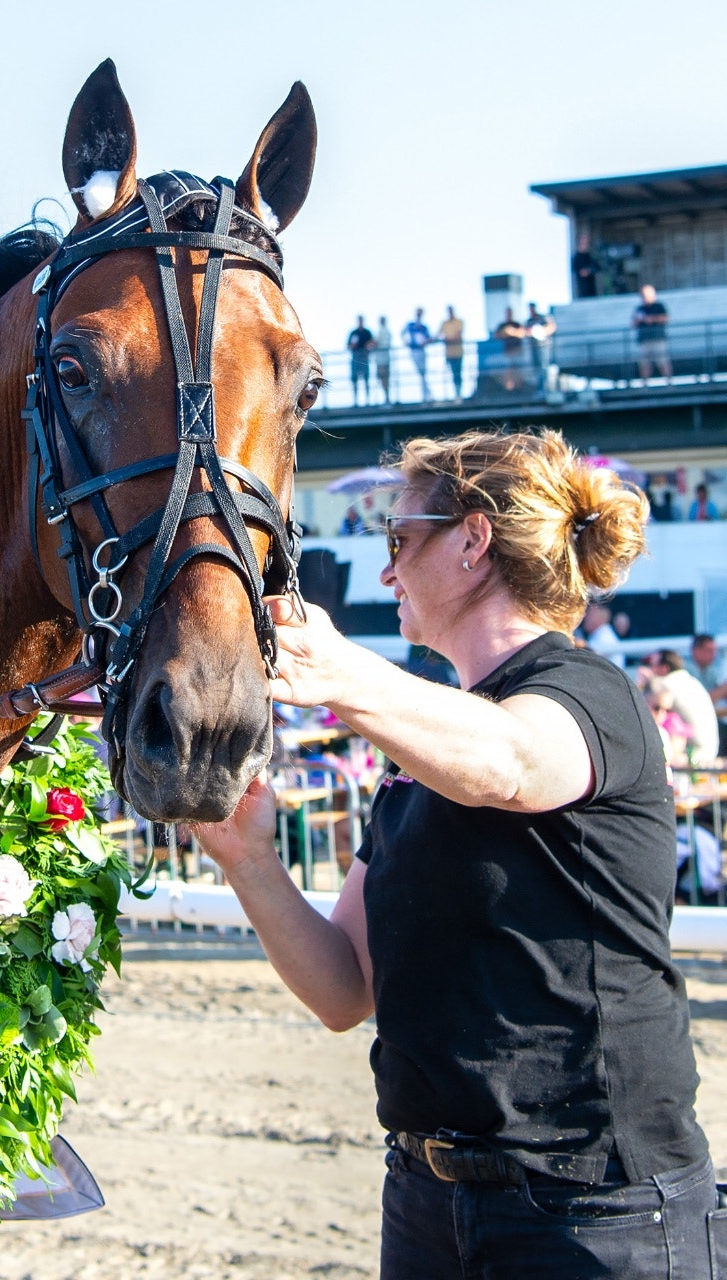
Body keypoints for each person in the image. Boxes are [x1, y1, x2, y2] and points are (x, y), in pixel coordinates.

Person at [192, 429, 711, 1277]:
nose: (386, 569)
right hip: (429, 1200)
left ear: (472, 540)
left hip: (591, 1211)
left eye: (398, 540)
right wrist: (248, 860)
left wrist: (341, 672)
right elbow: (343, 989)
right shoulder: (420, 746)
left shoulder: (587, 693)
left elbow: (509, 764)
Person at [644, 650, 719, 762]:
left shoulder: (664, 685)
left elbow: (646, 709)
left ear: (664, 668)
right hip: (711, 750)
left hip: (691, 754)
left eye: (652, 665)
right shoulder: (692, 681)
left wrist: (645, 682)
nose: (651, 669)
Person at [635, 285, 673, 382]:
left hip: (658, 338)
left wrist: (652, 319)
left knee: (662, 362)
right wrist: (642, 320)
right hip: (644, 339)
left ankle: (669, 382)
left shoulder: (659, 306)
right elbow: (634, 322)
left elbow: (665, 318)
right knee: (644, 363)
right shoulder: (640, 308)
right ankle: (645, 384)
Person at [493, 308, 527, 393]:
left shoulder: (516, 324)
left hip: (517, 351)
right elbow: (496, 336)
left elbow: (523, 333)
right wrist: (504, 333)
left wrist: (513, 332)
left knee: (518, 371)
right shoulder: (502, 325)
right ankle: (509, 389)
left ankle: (519, 388)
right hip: (507, 351)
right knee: (508, 371)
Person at [401, 308, 432, 401]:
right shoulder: (410, 325)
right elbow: (402, 333)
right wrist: (406, 342)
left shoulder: (424, 327)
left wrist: (425, 342)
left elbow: (429, 338)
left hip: (421, 350)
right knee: (421, 372)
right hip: (414, 350)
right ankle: (426, 394)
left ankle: (426, 394)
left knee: (423, 372)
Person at [583, 601, 625, 666]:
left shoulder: (605, 639)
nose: (585, 617)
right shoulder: (599, 635)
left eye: (589, 614)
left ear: (598, 616)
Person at [525, 302, 555, 391]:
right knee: (537, 369)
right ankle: (540, 389)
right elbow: (525, 331)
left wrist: (539, 331)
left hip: (544, 347)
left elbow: (551, 327)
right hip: (534, 347)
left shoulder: (543, 318)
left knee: (544, 367)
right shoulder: (529, 321)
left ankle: (545, 389)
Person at [438, 306, 466, 399]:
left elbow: (458, 336)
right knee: (452, 374)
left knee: (458, 373)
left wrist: (449, 339)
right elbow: (438, 335)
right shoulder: (444, 323)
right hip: (448, 353)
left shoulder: (459, 322)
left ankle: (459, 394)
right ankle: (454, 394)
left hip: (458, 352)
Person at [348, 316, 375, 405]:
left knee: (366, 378)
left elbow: (373, 343)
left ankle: (368, 400)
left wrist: (368, 346)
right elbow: (348, 346)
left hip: (364, 357)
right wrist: (353, 345)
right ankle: (355, 400)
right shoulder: (354, 333)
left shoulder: (367, 332)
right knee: (355, 379)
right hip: (355, 357)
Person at [572, 230, 600, 299]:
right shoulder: (577, 257)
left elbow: (597, 267)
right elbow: (578, 271)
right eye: (583, 240)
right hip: (582, 290)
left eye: (586, 240)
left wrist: (589, 270)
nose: (585, 243)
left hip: (592, 289)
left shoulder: (590, 256)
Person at [373, 315, 394, 404]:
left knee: (384, 378)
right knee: (383, 378)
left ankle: (387, 397)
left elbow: (381, 344)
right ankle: (386, 397)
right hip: (382, 358)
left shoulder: (384, 331)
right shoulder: (384, 331)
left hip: (382, 359)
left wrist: (374, 345)